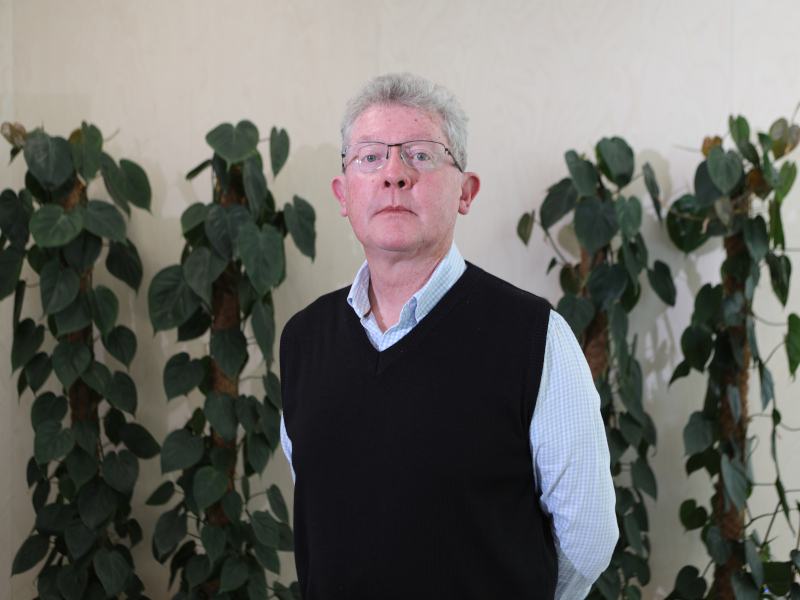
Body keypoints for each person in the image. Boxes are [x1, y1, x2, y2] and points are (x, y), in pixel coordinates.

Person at [279, 72, 617, 600]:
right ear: (343, 194)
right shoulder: (303, 340)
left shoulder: (535, 339)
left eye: (420, 154)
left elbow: (588, 539)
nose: (393, 174)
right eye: (370, 156)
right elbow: (323, 511)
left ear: (465, 191)